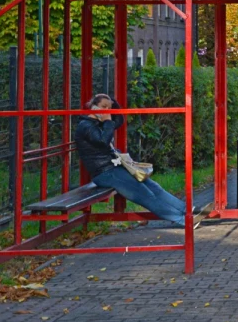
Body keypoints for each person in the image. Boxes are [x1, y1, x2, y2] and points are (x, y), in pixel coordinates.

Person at [75, 94, 188, 227]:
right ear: (93, 107)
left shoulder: (100, 122)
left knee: (153, 186)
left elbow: (119, 121)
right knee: (144, 194)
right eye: (103, 107)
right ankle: (180, 219)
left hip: (115, 168)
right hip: (104, 172)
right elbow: (102, 142)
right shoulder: (86, 125)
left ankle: (185, 210)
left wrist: (112, 103)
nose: (107, 111)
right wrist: (107, 121)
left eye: (109, 108)